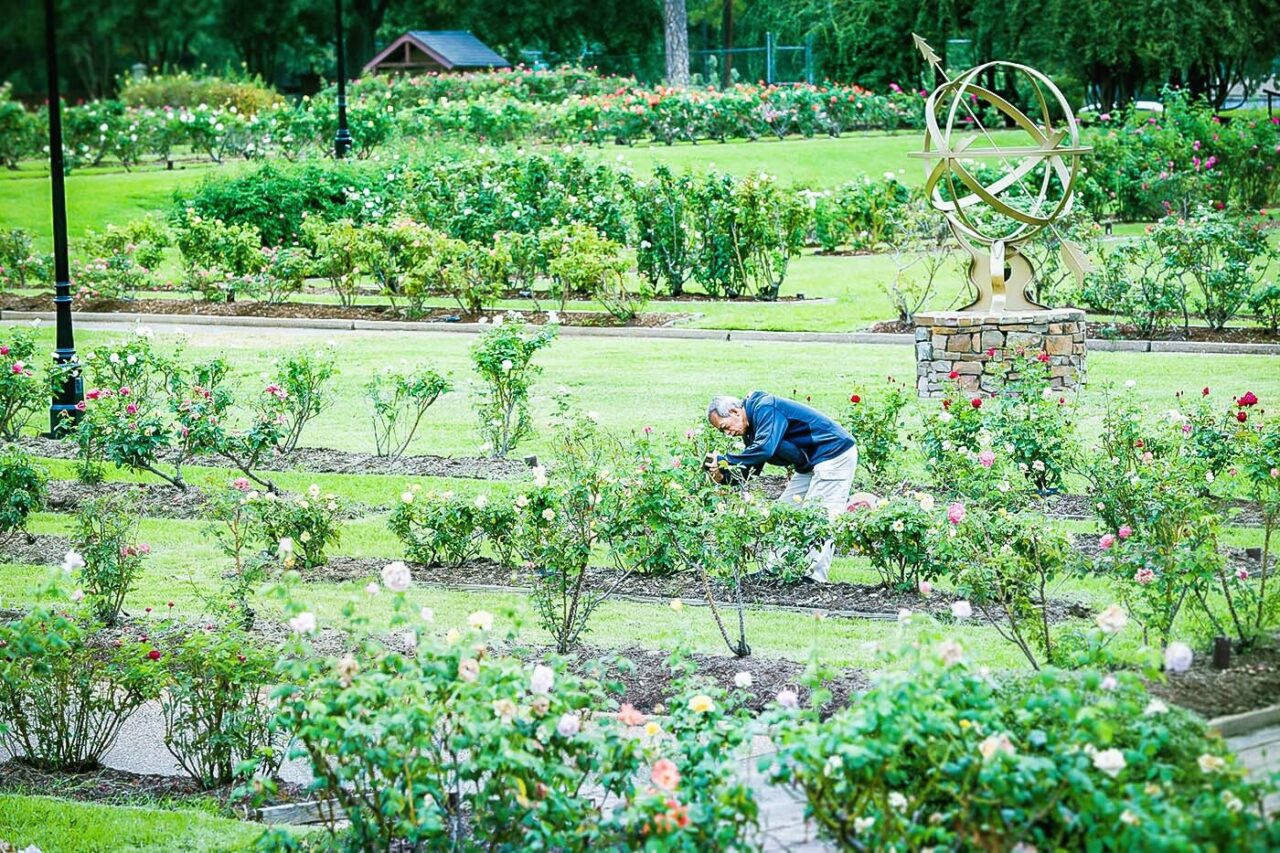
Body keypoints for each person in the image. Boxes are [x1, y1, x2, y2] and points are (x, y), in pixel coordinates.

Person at [704, 392, 857, 582]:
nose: (728, 433)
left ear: (735, 411)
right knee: (784, 511)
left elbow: (765, 448)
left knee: (820, 515)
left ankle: (813, 578)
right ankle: (775, 569)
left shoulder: (765, 408)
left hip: (834, 454)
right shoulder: (750, 428)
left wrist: (726, 460)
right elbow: (752, 467)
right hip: (809, 465)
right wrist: (722, 476)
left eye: (725, 427)